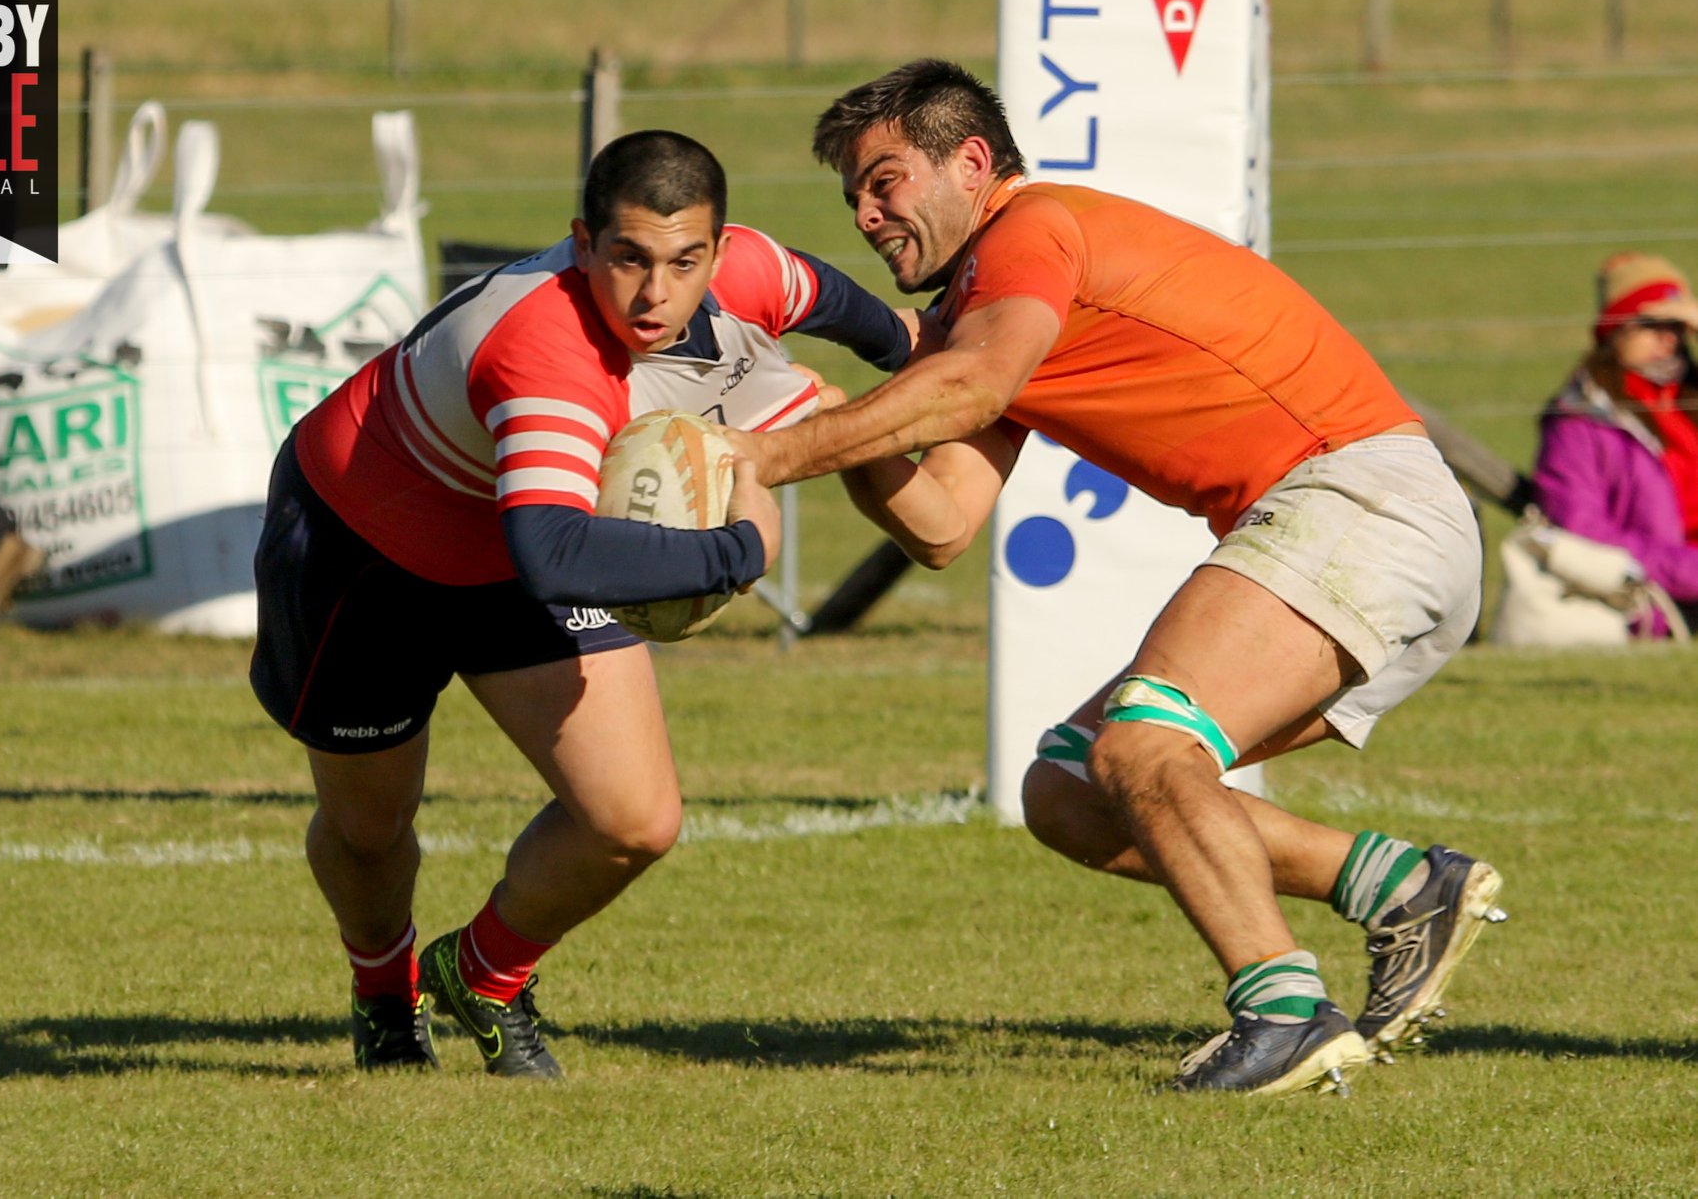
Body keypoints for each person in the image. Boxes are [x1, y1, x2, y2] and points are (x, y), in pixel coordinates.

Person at [730, 60, 1506, 1096]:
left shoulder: (1030, 233)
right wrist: (820, 431)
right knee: (1069, 789)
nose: (867, 215)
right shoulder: (988, 306)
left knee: (1145, 743)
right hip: (1373, 529)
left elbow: (972, 388)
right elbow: (944, 522)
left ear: (971, 161)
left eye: (884, 181)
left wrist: (769, 460)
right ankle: (1405, 888)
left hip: (1354, 497)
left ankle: (1283, 1016)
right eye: (853, 198)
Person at [250, 130, 917, 1075]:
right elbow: (556, 553)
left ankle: (479, 972)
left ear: (721, 253)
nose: (655, 294)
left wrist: (907, 342)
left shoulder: (747, 268)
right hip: (365, 548)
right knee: (370, 829)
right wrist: (737, 550)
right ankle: (384, 993)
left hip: (521, 540)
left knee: (632, 819)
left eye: (685, 262)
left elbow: (826, 293)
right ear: (580, 242)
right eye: (628, 260)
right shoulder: (545, 352)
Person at [1530, 251, 1698, 632]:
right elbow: (1582, 531)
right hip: (1652, 607)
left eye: (1679, 325)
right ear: (1614, 330)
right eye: (1651, 323)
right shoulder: (1580, 421)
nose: (1667, 339)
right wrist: (1689, 571)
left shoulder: (1685, 397)